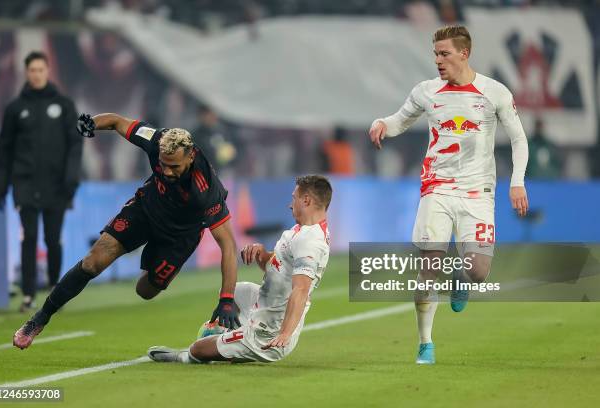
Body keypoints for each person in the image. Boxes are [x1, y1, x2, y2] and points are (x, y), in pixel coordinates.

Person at [368, 25, 529, 364]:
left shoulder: (494, 92)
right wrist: (382, 123)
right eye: (436, 54)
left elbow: (518, 138)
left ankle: (462, 275)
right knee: (429, 267)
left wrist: (518, 182)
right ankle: (425, 343)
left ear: (464, 53)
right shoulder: (426, 91)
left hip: (477, 193)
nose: (438, 61)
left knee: (479, 271)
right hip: (436, 188)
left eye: (445, 54)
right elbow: (400, 120)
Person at [12, 112, 240, 349]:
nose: (167, 171)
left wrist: (226, 299)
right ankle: (39, 318)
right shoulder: (157, 140)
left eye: (174, 167)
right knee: (92, 262)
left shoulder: (206, 189)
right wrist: (90, 124)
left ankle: (152, 257)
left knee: (145, 291)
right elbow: (116, 122)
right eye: (163, 164)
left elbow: (228, 246)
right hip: (145, 211)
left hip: (179, 237)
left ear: (191, 156)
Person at [147, 175, 331, 364]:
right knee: (231, 292)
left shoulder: (311, 241)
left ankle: (187, 355)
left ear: (306, 200)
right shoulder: (300, 231)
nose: (290, 204)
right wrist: (261, 254)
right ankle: (231, 340)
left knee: (198, 349)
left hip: (269, 329)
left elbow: (300, 289)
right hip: (267, 303)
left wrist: (284, 334)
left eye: (294, 198)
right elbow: (276, 267)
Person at [0, 51, 82, 312]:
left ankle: (54, 288)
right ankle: (29, 295)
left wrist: (71, 177)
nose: (37, 74)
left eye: (41, 70)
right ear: (26, 73)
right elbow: (4, 149)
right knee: (28, 237)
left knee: (52, 239)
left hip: (57, 185)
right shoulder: (15, 108)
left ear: (47, 71)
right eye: (32, 70)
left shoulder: (64, 105)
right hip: (25, 185)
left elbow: (75, 145)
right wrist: (1, 183)